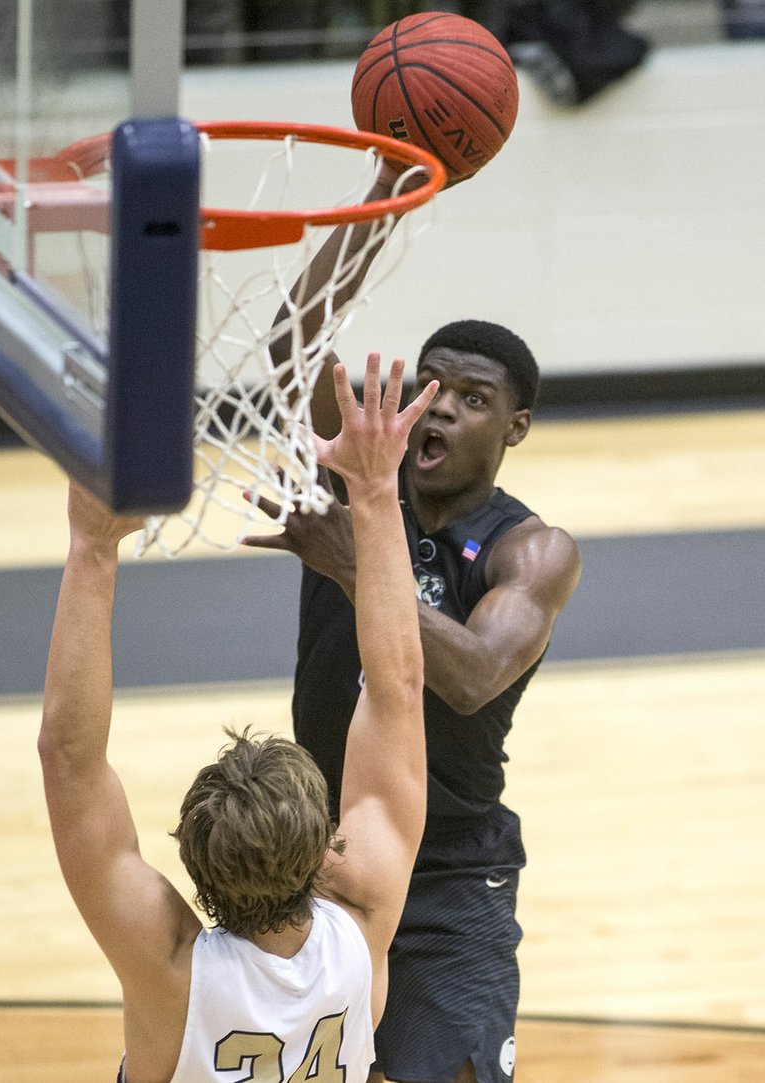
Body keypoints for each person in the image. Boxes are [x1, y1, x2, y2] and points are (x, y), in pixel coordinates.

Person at [243, 167, 582, 1083]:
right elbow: (290, 346)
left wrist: (351, 559)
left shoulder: (532, 549)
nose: (445, 409)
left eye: (475, 399)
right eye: (432, 389)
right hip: (311, 842)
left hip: (447, 859)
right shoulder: (358, 477)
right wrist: (385, 191)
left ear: (515, 427)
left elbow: (474, 673)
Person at [37, 355, 439, 1083]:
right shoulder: (364, 918)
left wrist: (92, 544)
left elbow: (69, 756)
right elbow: (399, 687)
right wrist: (377, 493)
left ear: (192, 858)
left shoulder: (171, 973)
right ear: (326, 844)